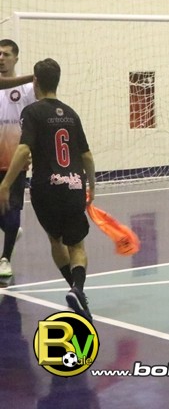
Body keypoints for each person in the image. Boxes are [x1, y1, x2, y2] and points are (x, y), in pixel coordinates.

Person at [0, 59, 96, 322]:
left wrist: (6, 183)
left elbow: (23, 149)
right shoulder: (72, 113)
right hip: (73, 185)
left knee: (56, 241)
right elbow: (86, 156)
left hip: (45, 189)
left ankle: (74, 290)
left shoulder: (31, 112)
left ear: (35, 82)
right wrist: (92, 185)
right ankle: (78, 288)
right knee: (77, 245)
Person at [0, 40, 36, 278]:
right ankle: (11, 228)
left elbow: (35, 121)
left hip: (14, 161)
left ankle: (5, 258)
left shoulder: (27, 91)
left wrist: (32, 149)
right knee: (5, 214)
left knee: (11, 208)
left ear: (16, 58)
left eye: (6, 54)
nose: (1, 58)